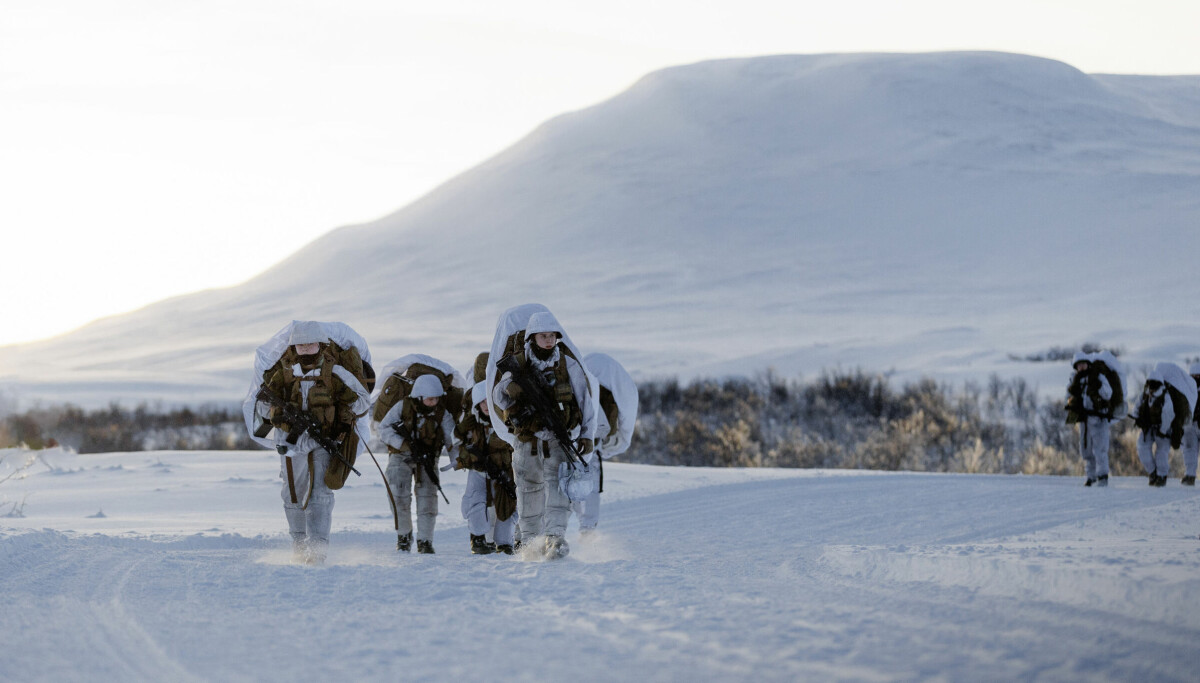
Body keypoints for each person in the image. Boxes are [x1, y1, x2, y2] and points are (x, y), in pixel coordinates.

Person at [243, 320, 372, 565]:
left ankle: (318, 548)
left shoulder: (335, 372)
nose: (305, 348)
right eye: (300, 345)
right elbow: (261, 402)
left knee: (321, 494)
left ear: (320, 344)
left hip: (323, 440)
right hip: (290, 441)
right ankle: (299, 545)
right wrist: (277, 412)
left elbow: (362, 402)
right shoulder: (284, 371)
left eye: (310, 344)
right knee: (292, 493)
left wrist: (341, 413)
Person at [489, 307, 597, 560]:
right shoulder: (517, 365)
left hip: (561, 439)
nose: (549, 341)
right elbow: (498, 396)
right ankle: (529, 541)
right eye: (543, 336)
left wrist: (587, 436)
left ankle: (555, 538)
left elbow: (585, 402)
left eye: (552, 336)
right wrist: (519, 410)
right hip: (527, 441)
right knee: (528, 490)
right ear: (532, 338)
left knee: (560, 489)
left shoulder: (567, 364)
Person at [374, 374, 457, 553]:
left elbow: (451, 438)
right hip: (400, 457)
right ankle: (404, 537)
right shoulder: (402, 406)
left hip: (428, 459)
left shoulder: (443, 413)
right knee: (398, 497)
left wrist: (456, 459)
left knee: (428, 500)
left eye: (436, 398)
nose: (433, 401)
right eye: (429, 399)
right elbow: (384, 429)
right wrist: (403, 444)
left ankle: (425, 541)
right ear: (419, 396)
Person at [572, 352, 639, 534]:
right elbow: (627, 408)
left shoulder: (582, 376)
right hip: (593, 441)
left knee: (575, 482)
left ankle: (582, 526)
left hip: (581, 440)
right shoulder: (617, 382)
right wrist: (616, 442)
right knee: (588, 484)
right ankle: (587, 527)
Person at [455, 381, 518, 554]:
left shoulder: (508, 422)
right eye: (482, 402)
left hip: (504, 472)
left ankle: (504, 543)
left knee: (507, 504)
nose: (486, 406)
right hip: (478, 472)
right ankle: (478, 539)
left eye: (488, 401)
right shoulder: (470, 422)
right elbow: (457, 442)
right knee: (475, 500)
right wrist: (471, 458)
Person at [1131, 362, 1195, 487]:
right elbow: (1137, 406)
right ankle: (1153, 473)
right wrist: (1137, 418)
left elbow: (1168, 415)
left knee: (1161, 453)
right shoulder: (1145, 394)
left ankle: (1161, 476)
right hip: (1148, 428)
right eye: (1150, 382)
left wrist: (1163, 430)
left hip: (1164, 429)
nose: (1152, 386)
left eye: (1154, 383)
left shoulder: (1165, 396)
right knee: (1142, 448)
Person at [1064, 352, 1114, 487]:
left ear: (1088, 364)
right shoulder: (1075, 380)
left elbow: (1108, 394)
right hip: (1084, 419)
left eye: (1083, 364)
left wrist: (1097, 385)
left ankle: (1103, 476)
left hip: (1098, 418)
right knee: (1086, 450)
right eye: (1078, 365)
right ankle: (1090, 477)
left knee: (1100, 449)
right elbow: (1067, 398)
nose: (1081, 367)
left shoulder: (1099, 377)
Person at [1182, 362, 1200, 486]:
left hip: (1191, 424)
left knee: (1189, 450)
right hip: (1189, 425)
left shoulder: (1185, 389)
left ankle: (1190, 476)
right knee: (1189, 450)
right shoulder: (1185, 389)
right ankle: (1190, 475)